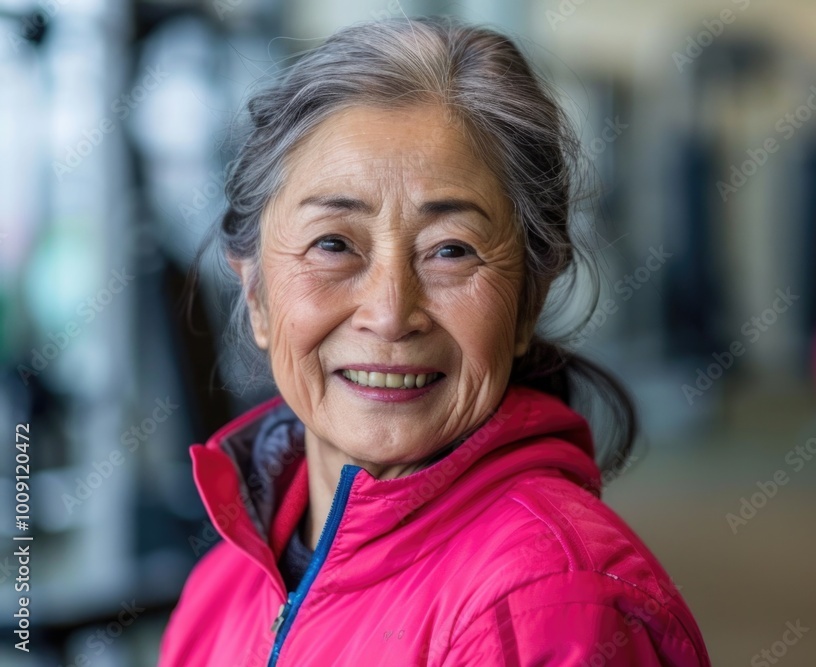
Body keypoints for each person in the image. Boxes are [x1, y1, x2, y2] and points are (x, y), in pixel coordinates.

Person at [158, 16, 711, 667]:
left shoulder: (551, 610)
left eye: (451, 251)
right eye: (334, 244)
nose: (391, 313)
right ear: (255, 295)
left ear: (528, 300)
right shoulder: (219, 589)